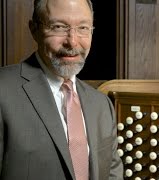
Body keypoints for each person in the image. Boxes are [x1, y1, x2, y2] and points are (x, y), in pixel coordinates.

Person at [0, 0, 123, 179]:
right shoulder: (3, 90)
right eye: (59, 27)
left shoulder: (102, 104)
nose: (72, 42)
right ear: (34, 29)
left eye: (83, 28)